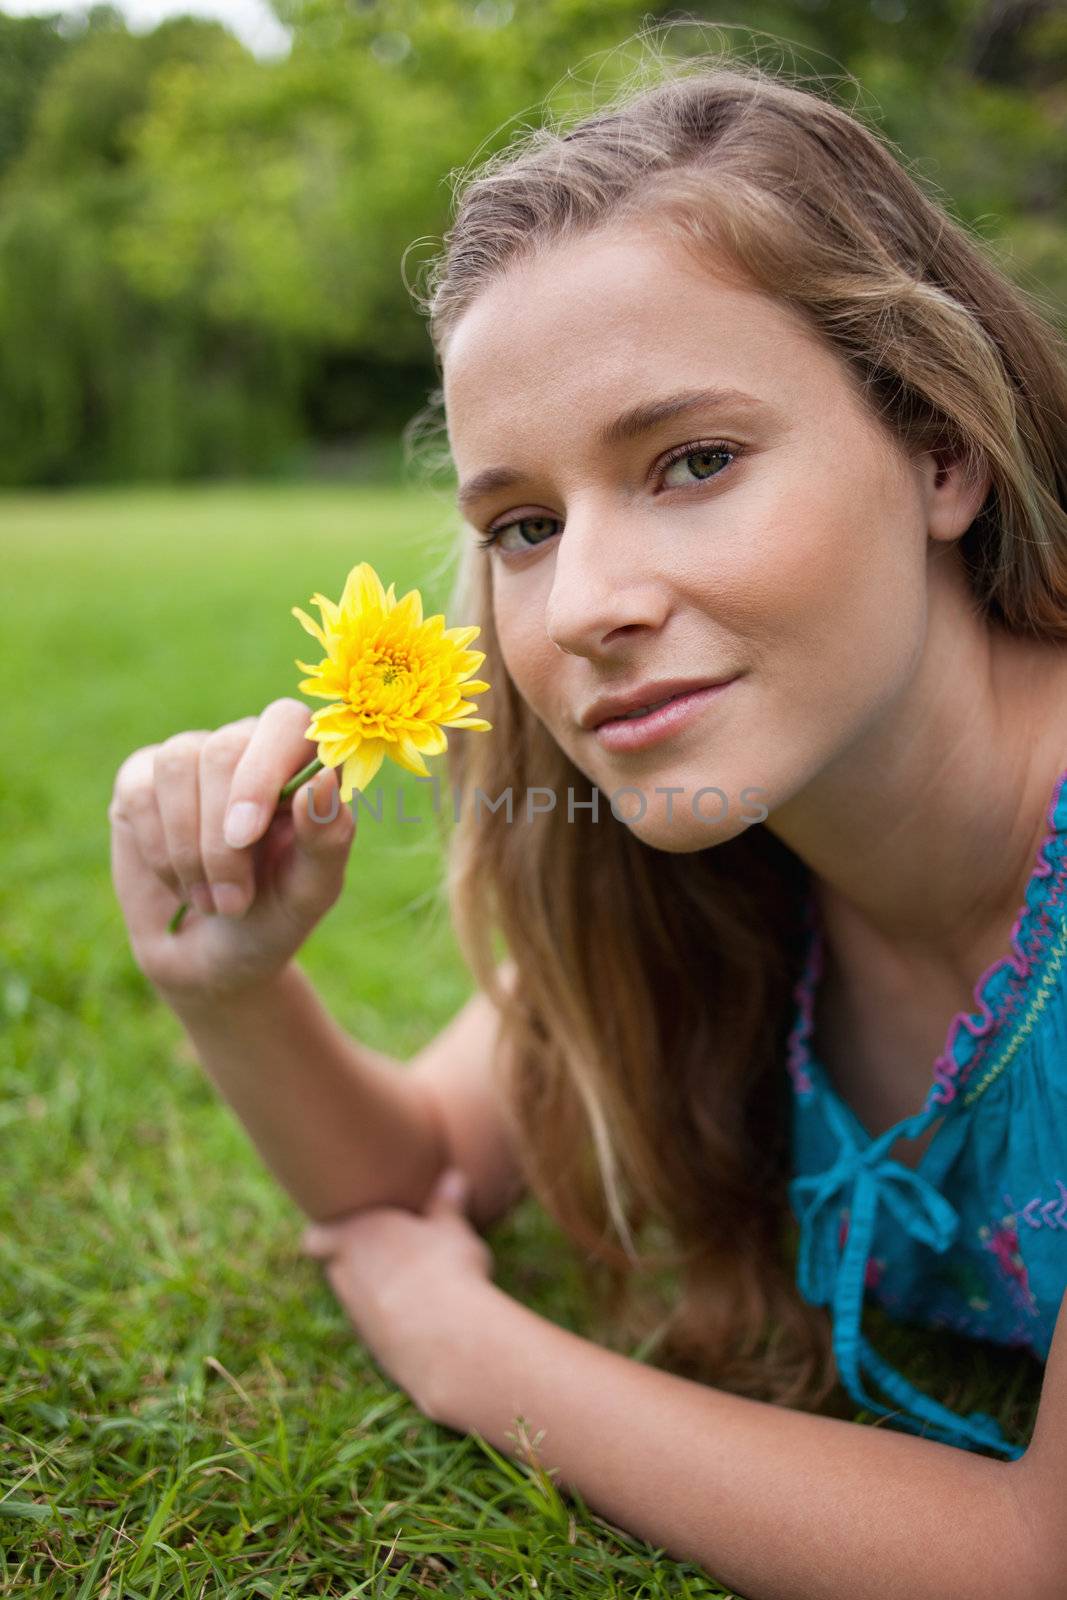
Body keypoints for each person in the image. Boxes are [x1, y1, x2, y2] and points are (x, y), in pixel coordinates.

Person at [109, 43, 1067, 1599]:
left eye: (695, 460)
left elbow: (1039, 1552)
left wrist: (468, 1350)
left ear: (939, 447)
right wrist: (229, 986)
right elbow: (411, 1168)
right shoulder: (726, 852)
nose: (588, 608)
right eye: (525, 527)